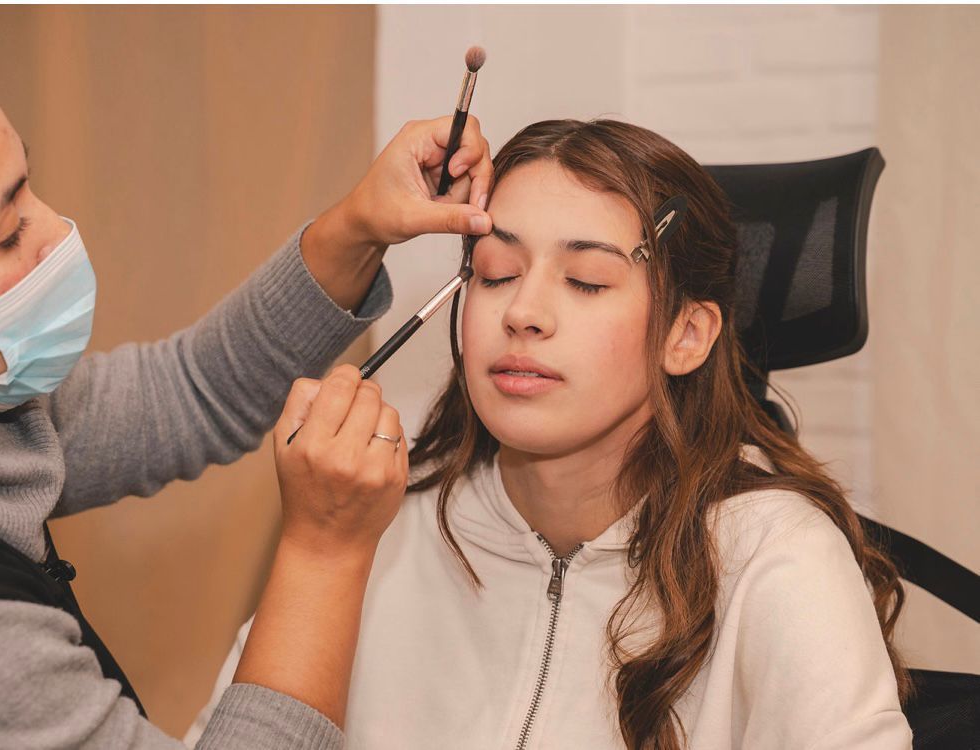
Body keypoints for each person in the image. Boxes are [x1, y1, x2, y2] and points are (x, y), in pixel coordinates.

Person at [0, 24, 494, 750]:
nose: (56, 232)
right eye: (5, 236)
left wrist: (356, 228)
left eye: (28, 187)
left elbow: (192, 390)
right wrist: (324, 550)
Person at [194, 118, 914, 749]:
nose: (523, 313)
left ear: (686, 335)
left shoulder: (773, 555)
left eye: (588, 282)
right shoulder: (370, 524)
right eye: (496, 273)